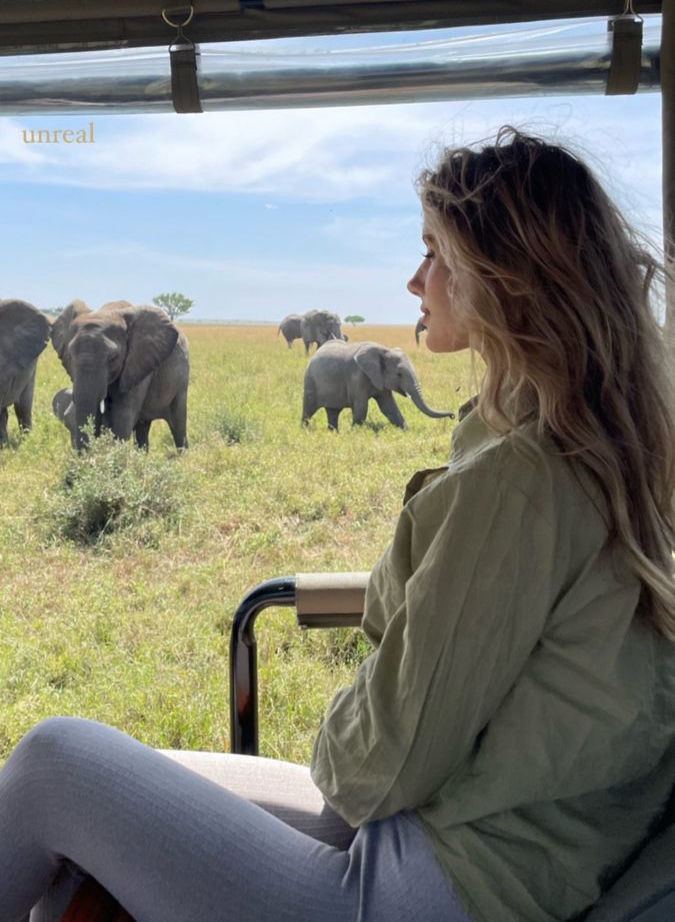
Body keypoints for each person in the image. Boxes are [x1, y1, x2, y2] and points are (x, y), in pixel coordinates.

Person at [2, 127, 675, 922]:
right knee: (113, 795)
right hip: (480, 837)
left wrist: (344, 720)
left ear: (503, 279)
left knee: (53, 763)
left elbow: (373, 769)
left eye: (436, 254)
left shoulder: (519, 481)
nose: (413, 280)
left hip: (437, 886)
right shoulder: (603, 446)